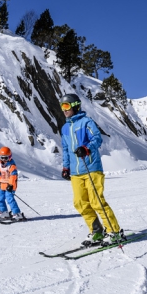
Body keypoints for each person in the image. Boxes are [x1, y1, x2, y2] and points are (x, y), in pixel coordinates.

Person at [59, 93, 126, 247]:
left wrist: (86, 148)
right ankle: (97, 230)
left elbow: (97, 137)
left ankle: (114, 231)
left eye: (66, 106)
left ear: (75, 106)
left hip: (91, 168)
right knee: (80, 202)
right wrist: (66, 166)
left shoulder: (86, 122)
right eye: (62, 106)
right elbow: (65, 148)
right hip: (76, 172)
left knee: (96, 201)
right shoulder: (65, 128)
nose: (64, 110)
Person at [0, 146, 25, 221]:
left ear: (10, 157)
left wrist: (10, 185)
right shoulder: (0, 166)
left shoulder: (12, 166)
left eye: (6, 158)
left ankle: (17, 214)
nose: (4, 160)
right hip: (2, 185)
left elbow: (13, 177)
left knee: (9, 199)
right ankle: (4, 212)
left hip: (10, 186)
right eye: (2, 157)